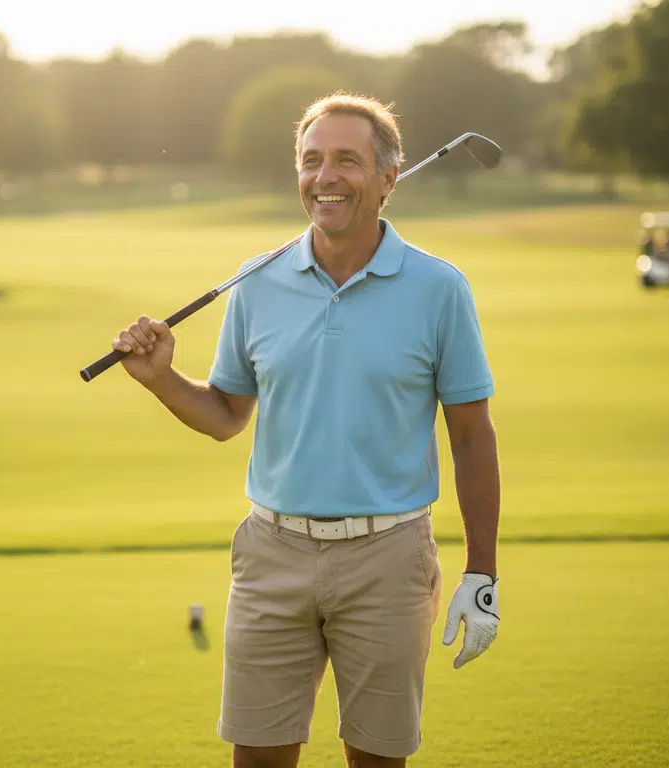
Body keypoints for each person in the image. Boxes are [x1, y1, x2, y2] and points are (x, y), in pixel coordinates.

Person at [109, 93, 501, 768]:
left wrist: (482, 573)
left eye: (347, 160)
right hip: (272, 553)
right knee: (258, 759)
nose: (325, 176)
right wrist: (161, 379)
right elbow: (226, 416)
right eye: (311, 160)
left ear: (388, 178)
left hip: (389, 558)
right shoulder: (257, 281)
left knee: (377, 759)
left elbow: (471, 437)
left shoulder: (439, 288)